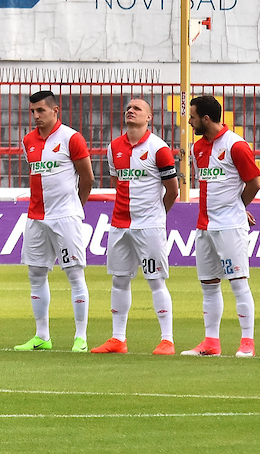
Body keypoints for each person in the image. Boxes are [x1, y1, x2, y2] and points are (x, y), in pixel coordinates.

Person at [92, 97, 178, 355]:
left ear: (149, 117)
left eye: (137, 108)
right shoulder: (114, 147)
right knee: (119, 280)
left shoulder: (159, 149)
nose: (131, 111)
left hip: (149, 226)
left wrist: (157, 216)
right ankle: (118, 339)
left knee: (156, 280)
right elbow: (117, 181)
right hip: (119, 224)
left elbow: (172, 190)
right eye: (128, 108)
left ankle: (167, 340)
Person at [180, 95, 260, 358]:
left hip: (229, 226)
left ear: (205, 118)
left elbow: (253, 184)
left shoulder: (236, 146)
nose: (189, 122)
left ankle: (247, 342)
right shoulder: (197, 148)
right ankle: (211, 342)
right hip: (204, 226)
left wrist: (239, 208)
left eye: (192, 117)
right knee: (209, 285)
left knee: (238, 284)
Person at [13, 90, 94, 353]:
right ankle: (42, 336)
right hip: (36, 217)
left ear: (54, 110)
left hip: (65, 217)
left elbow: (88, 178)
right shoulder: (28, 141)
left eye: (41, 111)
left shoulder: (71, 138)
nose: (36, 116)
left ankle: (80, 337)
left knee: (74, 274)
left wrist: (74, 208)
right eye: (33, 111)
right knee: (36, 275)